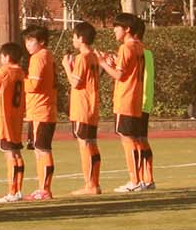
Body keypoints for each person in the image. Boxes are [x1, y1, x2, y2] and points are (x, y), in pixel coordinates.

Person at [97, 13, 154, 193]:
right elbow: (127, 70)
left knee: (127, 139)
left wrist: (103, 64)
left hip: (125, 98)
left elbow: (120, 76)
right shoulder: (139, 46)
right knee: (137, 140)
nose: (114, 30)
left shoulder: (125, 47)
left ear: (127, 29)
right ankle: (143, 179)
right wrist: (113, 63)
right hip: (135, 98)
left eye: (117, 27)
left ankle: (134, 180)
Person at [0, 42, 28, 203]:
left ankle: (12, 191)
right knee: (16, 153)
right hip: (16, 118)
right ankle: (18, 190)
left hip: (5, 119)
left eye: (2, 56)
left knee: (10, 154)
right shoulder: (21, 73)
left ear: (7, 57)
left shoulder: (5, 71)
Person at [64, 21, 103, 195]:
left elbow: (75, 82)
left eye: (74, 36)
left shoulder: (82, 57)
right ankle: (95, 182)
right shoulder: (94, 57)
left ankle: (90, 185)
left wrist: (66, 66)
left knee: (84, 145)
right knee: (92, 145)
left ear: (81, 38)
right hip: (92, 106)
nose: (73, 40)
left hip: (82, 107)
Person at [21, 23, 57, 201]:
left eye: (31, 40)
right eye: (26, 41)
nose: (28, 45)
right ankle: (42, 187)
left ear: (41, 41)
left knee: (42, 150)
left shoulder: (38, 57)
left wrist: (21, 80)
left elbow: (34, 85)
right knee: (39, 150)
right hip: (41, 109)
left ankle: (45, 189)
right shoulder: (47, 55)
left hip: (41, 110)